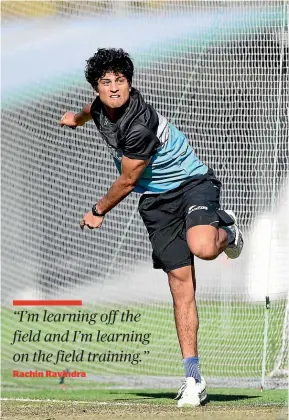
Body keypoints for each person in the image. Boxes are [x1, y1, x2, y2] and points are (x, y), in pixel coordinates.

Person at [60, 48, 243, 407]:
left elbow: (127, 182)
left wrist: (98, 210)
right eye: (106, 82)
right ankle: (193, 379)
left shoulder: (139, 123)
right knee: (179, 285)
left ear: (130, 83)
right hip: (157, 203)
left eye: (121, 80)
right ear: (97, 87)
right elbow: (89, 110)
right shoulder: (99, 107)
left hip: (191, 184)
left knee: (204, 246)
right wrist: (75, 120)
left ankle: (230, 232)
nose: (114, 88)